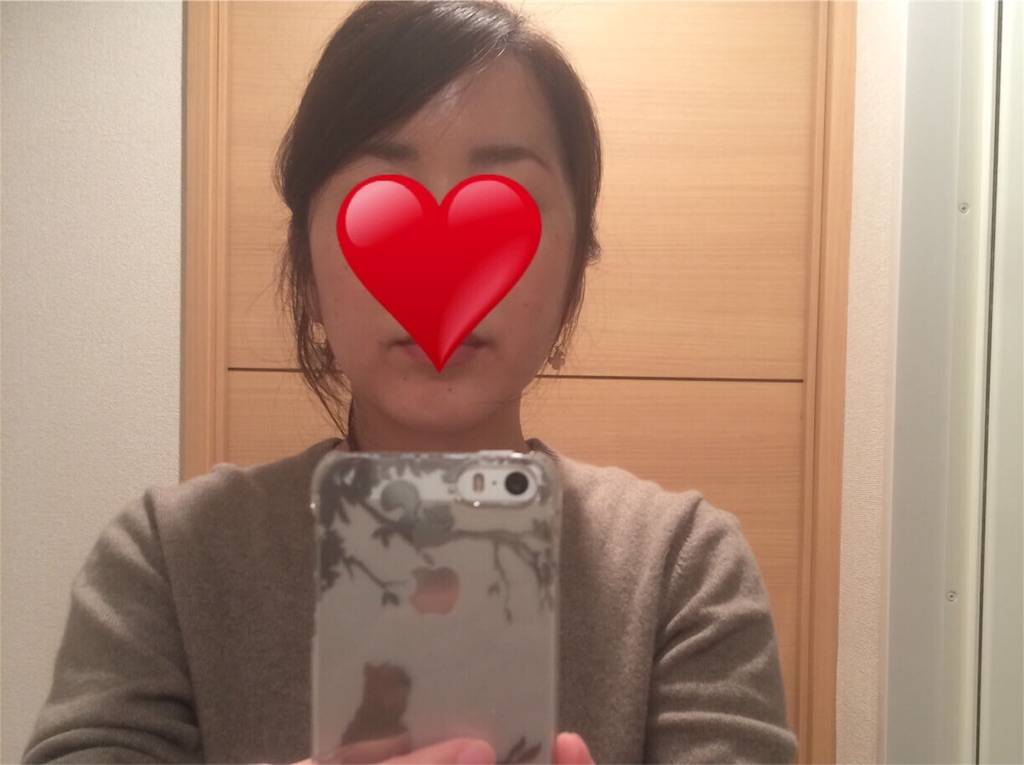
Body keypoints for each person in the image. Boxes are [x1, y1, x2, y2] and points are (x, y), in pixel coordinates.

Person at [23, 2, 797, 763]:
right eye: (384, 210)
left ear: (572, 278)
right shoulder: (169, 557)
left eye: (502, 208)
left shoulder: (682, 567)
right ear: (308, 274)